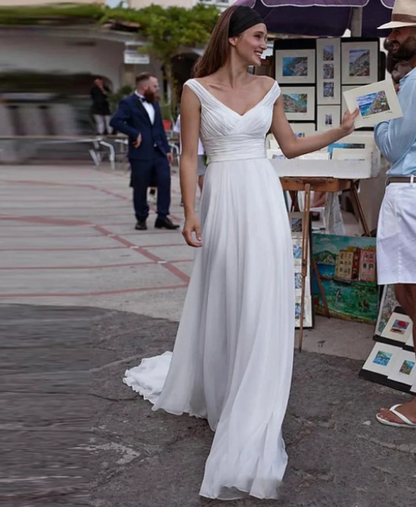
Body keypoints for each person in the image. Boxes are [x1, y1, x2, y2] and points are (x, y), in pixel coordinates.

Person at [123, 6, 357, 499]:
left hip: (263, 200)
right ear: (232, 38)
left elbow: (290, 147)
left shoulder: (269, 87)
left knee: (262, 298)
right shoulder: (194, 90)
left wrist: (339, 131)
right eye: (258, 35)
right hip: (222, 201)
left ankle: (254, 404)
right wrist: (190, 213)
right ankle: (224, 389)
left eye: (265, 37)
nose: (264, 44)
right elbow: (189, 156)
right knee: (227, 294)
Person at [373, 0, 416, 429]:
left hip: (410, 196)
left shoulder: (414, 83)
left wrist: (379, 113)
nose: (391, 38)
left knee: (412, 299)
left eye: (400, 30)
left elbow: (392, 147)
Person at [110, 73, 179, 231]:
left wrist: (167, 149)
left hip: (158, 151)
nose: (158, 89)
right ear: (144, 87)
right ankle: (141, 218)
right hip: (140, 152)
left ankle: (162, 216)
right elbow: (115, 121)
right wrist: (135, 133)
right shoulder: (128, 103)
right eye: (155, 86)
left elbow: (159, 128)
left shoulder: (154, 103)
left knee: (164, 182)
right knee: (140, 186)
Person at [173, 113, 207, 193]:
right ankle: (203, 193)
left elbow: (177, 133)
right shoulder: (201, 116)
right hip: (199, 149)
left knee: (187, 174)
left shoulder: (181, 116)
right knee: (201, 173)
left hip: (184, 150)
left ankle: (185, 196)